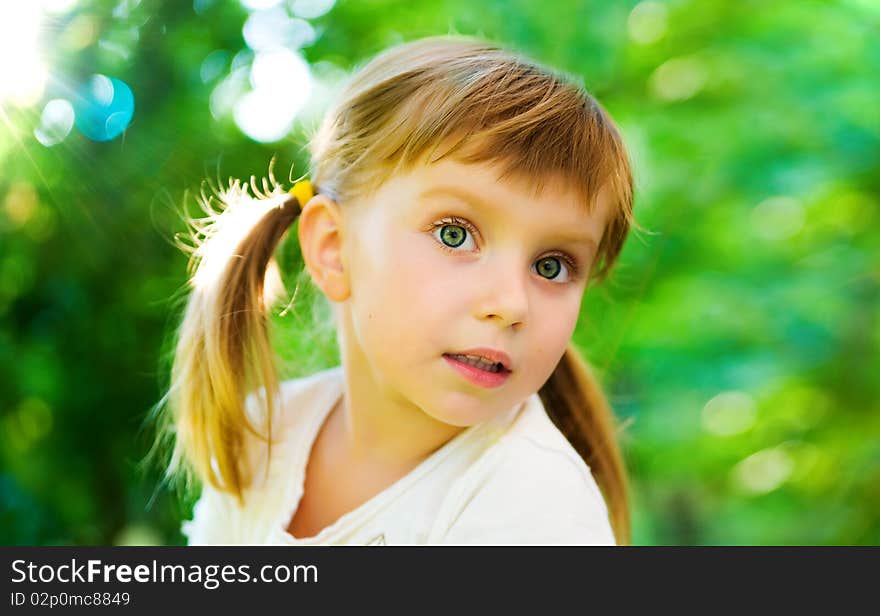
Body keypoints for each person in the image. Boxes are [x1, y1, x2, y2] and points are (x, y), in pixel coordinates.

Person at [159, 34, 639, 545]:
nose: (510, 304)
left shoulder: (535, 507)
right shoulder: (267, 431)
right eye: (455, 234)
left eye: (551, 266)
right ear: (333, 249)